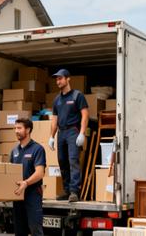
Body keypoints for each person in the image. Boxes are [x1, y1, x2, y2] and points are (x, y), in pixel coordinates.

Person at [48, 69, 88, 202]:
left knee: (73, 160)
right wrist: (51, 136)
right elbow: (54, 119)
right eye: (57, 79)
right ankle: (66, 190)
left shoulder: (77, 96)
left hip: (73, 131)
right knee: (62, 161)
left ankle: (74, 192)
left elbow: (85, 115)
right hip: (61, 132)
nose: (58, 81)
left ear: (68, 79)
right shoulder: (57, 100)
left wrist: (82, 133)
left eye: (60, 78)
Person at [10, 118, 46, 236]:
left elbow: (40, 172)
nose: (16, 131)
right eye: (15, 128)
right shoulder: (14, 151)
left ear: (28, 130)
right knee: (19, 231)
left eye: (19, 128)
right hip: (18, 196)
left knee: (35, 229)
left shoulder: (37, 149)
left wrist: (26, 183)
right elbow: (9, 174)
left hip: (32, 195)